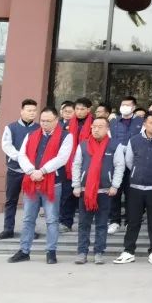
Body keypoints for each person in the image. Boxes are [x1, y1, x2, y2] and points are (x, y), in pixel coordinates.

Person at [7, 107, 73, 264]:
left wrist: (42, 171)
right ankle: (24, 250)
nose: (44, 124)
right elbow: (22, 154)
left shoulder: (66, 136)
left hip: (52, 183)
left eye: (48, 121)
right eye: (42, 120)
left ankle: (51, 251)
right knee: (28, 219)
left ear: (56, 120)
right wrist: (31, 171)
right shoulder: (31, 134)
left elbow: (62, 158)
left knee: (52, 219)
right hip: (31, 182)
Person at [112, 112, 152, 265]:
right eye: (151, 122)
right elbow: (129, 161)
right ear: (145, 124)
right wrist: (138, 172)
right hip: (136, 187)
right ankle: (128, 251)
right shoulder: (134, 140)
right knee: (133, 221)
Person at [70, 117, 119, 265]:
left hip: (104, 191)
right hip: (85, 191)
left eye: (100, 126)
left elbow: (119, 166)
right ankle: (82, 252)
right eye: (94, 126)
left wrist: (115, 185)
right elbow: (76, 165)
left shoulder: (114, 145)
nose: (96, 129)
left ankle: (99, 252)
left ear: (107, 129)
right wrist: (76, 185)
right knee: (83, 224)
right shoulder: (83, 145)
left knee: (102, 224)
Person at [0, 99, 39, 240]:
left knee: (32, 202)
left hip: (32, 172)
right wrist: (21, 158)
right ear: (22, 111)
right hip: (14, 170)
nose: (32, 113)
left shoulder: (39, 128)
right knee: (11, 200)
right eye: (29, 110)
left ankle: (30, 230)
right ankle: (8, 229)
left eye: (34, 110)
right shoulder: (11, 127)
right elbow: (6, 146)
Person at [107, 96, 144, 235]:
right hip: (115, 162)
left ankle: (129, 222)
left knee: (131, 194)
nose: (125, 107)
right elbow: (108, 139)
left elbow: (143, 140)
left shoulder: (141, 122)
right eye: (123, 104)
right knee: (114, 192)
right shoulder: (113, 121)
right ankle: (114, 221)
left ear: (134, 107)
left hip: (133, 163)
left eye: (128, 105)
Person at [60, 97, 92, 233]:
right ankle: (65, 222)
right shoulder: (66, 124)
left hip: (88, 163)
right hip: (69, 164)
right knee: (67, 195)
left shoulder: (94, 124)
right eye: (77, 109)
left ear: (89, 110)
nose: (79, 111)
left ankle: (85, 225)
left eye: (82, 109)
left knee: (86, 196)